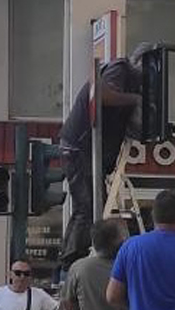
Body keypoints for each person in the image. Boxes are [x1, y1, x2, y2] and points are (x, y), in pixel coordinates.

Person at [59, 43, 155, 269]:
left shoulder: (127, 78)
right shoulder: (121, 69)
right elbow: (104, 95)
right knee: (89, 207)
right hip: (81, 148)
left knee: (87, 206)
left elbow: (131, 127)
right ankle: (73, 261)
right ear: (142, 63)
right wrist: (136, 100)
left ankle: (70, 259)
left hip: (84, 149)